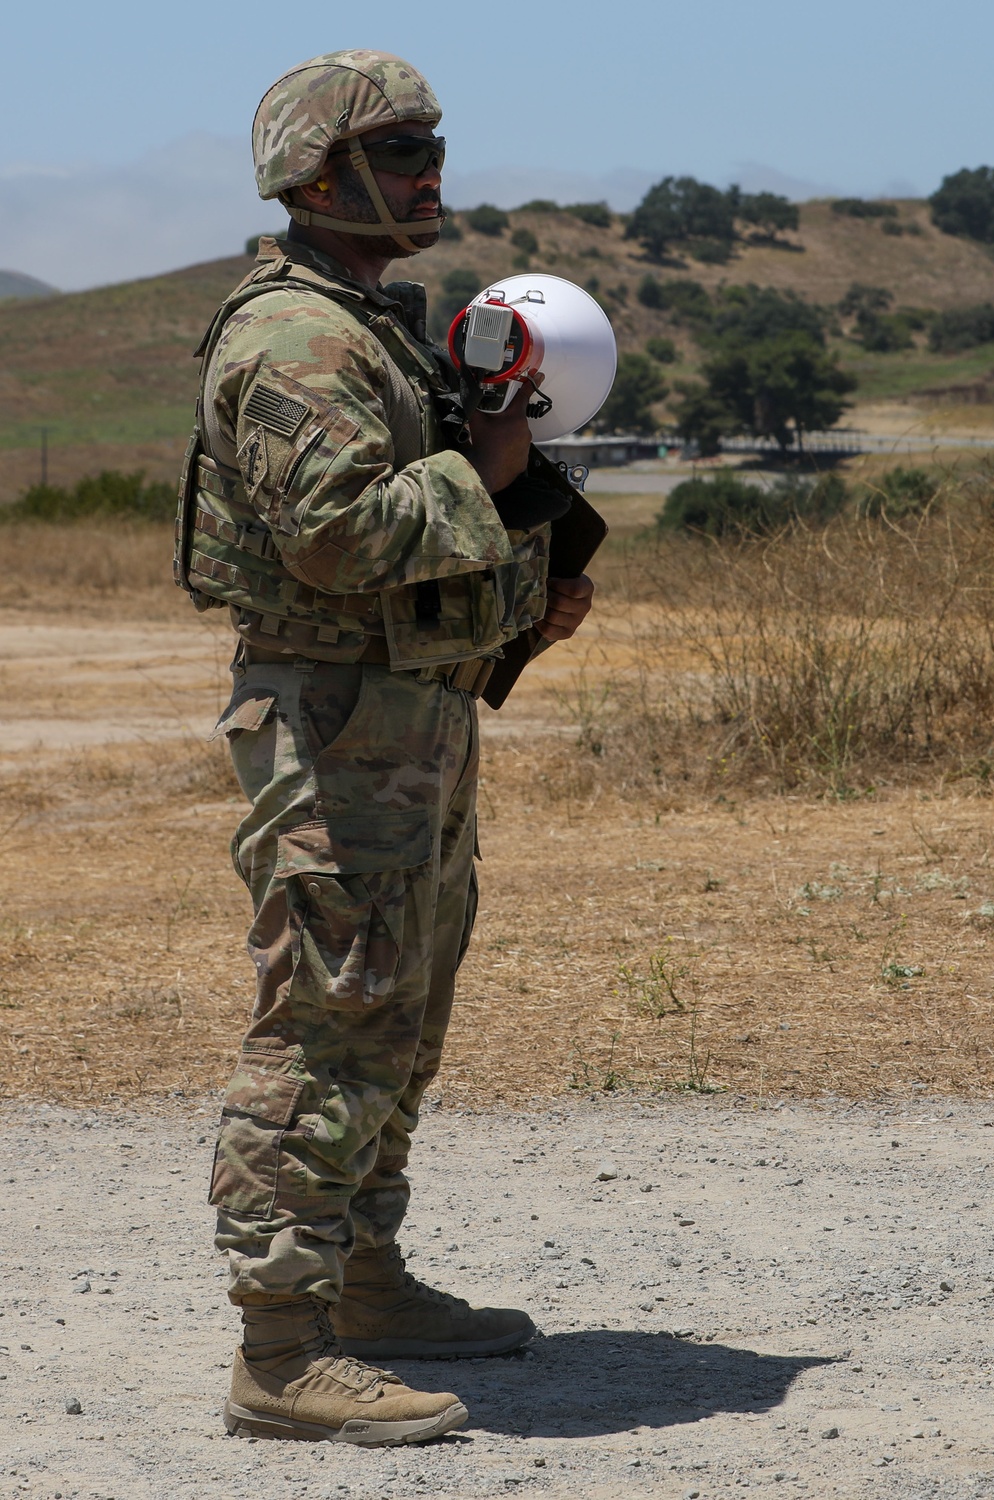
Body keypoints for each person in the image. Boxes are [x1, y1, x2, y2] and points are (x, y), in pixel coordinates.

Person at [173, 49, 594, 1447]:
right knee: (327, 1021)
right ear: (315, 173)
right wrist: (482, 473)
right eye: (401, 149)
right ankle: (281, 1354)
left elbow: (424, 522)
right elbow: (339, 535)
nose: (430, 169)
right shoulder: (298, 337)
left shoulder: (372, 322)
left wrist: (527, 577)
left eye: (431, 145)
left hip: (407, 716)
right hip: (336, 721)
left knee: (400, 1014)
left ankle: (360, 1277)